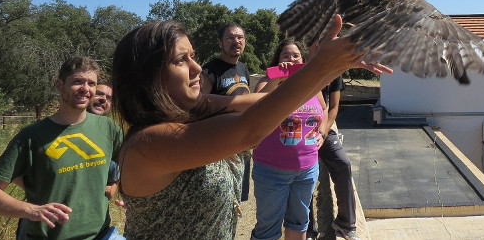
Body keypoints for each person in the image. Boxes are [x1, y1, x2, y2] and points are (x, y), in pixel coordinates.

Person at [111, 16, 390, 240]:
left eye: (193, 56)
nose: (196, 68)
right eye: (180, 60)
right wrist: (322, 64)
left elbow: (265, 101)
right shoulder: (150, 143)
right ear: (147, 75)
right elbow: (250, 129)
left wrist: (334, 66)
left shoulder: (198, 107)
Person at [0, 57, 124, 240]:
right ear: (59, 85)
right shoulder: (32, 136)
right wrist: (31, 210)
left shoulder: (108, 128)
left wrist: (120, 189)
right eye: (78, 81)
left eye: (91, 83)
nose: (86, 89)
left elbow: (128, 166)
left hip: (102, 234)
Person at [251, 39, 325, 240]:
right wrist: (276, 78)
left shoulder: (312, 84)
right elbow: (255, 109)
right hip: (272, 171)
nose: (291, 60)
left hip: (307, 170)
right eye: (286, 56)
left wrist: (322, 133)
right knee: (267, 229)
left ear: (302, 60)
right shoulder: (267, 82)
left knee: (299, 223)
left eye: (295, 56)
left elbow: (324, 110)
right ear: (278, 60)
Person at [306, 43, 359, 240]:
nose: (321, 48)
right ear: (308, 47)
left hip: (323, 130)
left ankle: (345, 223)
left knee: (343, 164)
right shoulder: (301, 69)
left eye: (325, 44)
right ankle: (308, 228)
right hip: (301, 133)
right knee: (306, 175)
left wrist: (323, 131)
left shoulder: (334, 72)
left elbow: (334, 107)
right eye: (316, 45)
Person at [201, 22, 253, 201]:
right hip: (220, 146)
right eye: (230, 38)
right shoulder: (210, 70)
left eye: (240, 38)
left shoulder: (243, 68)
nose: (236, 41)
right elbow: (201, 105)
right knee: (219, 198)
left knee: (238, 198)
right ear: (220, 43)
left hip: (242, 143)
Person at [87, 82, 122, 202]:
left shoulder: (112, 129)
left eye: (109, 98)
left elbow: (121, 161)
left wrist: (113, 185)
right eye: (99, 94)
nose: (103, 99)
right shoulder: (66, 125)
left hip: (96, 210)